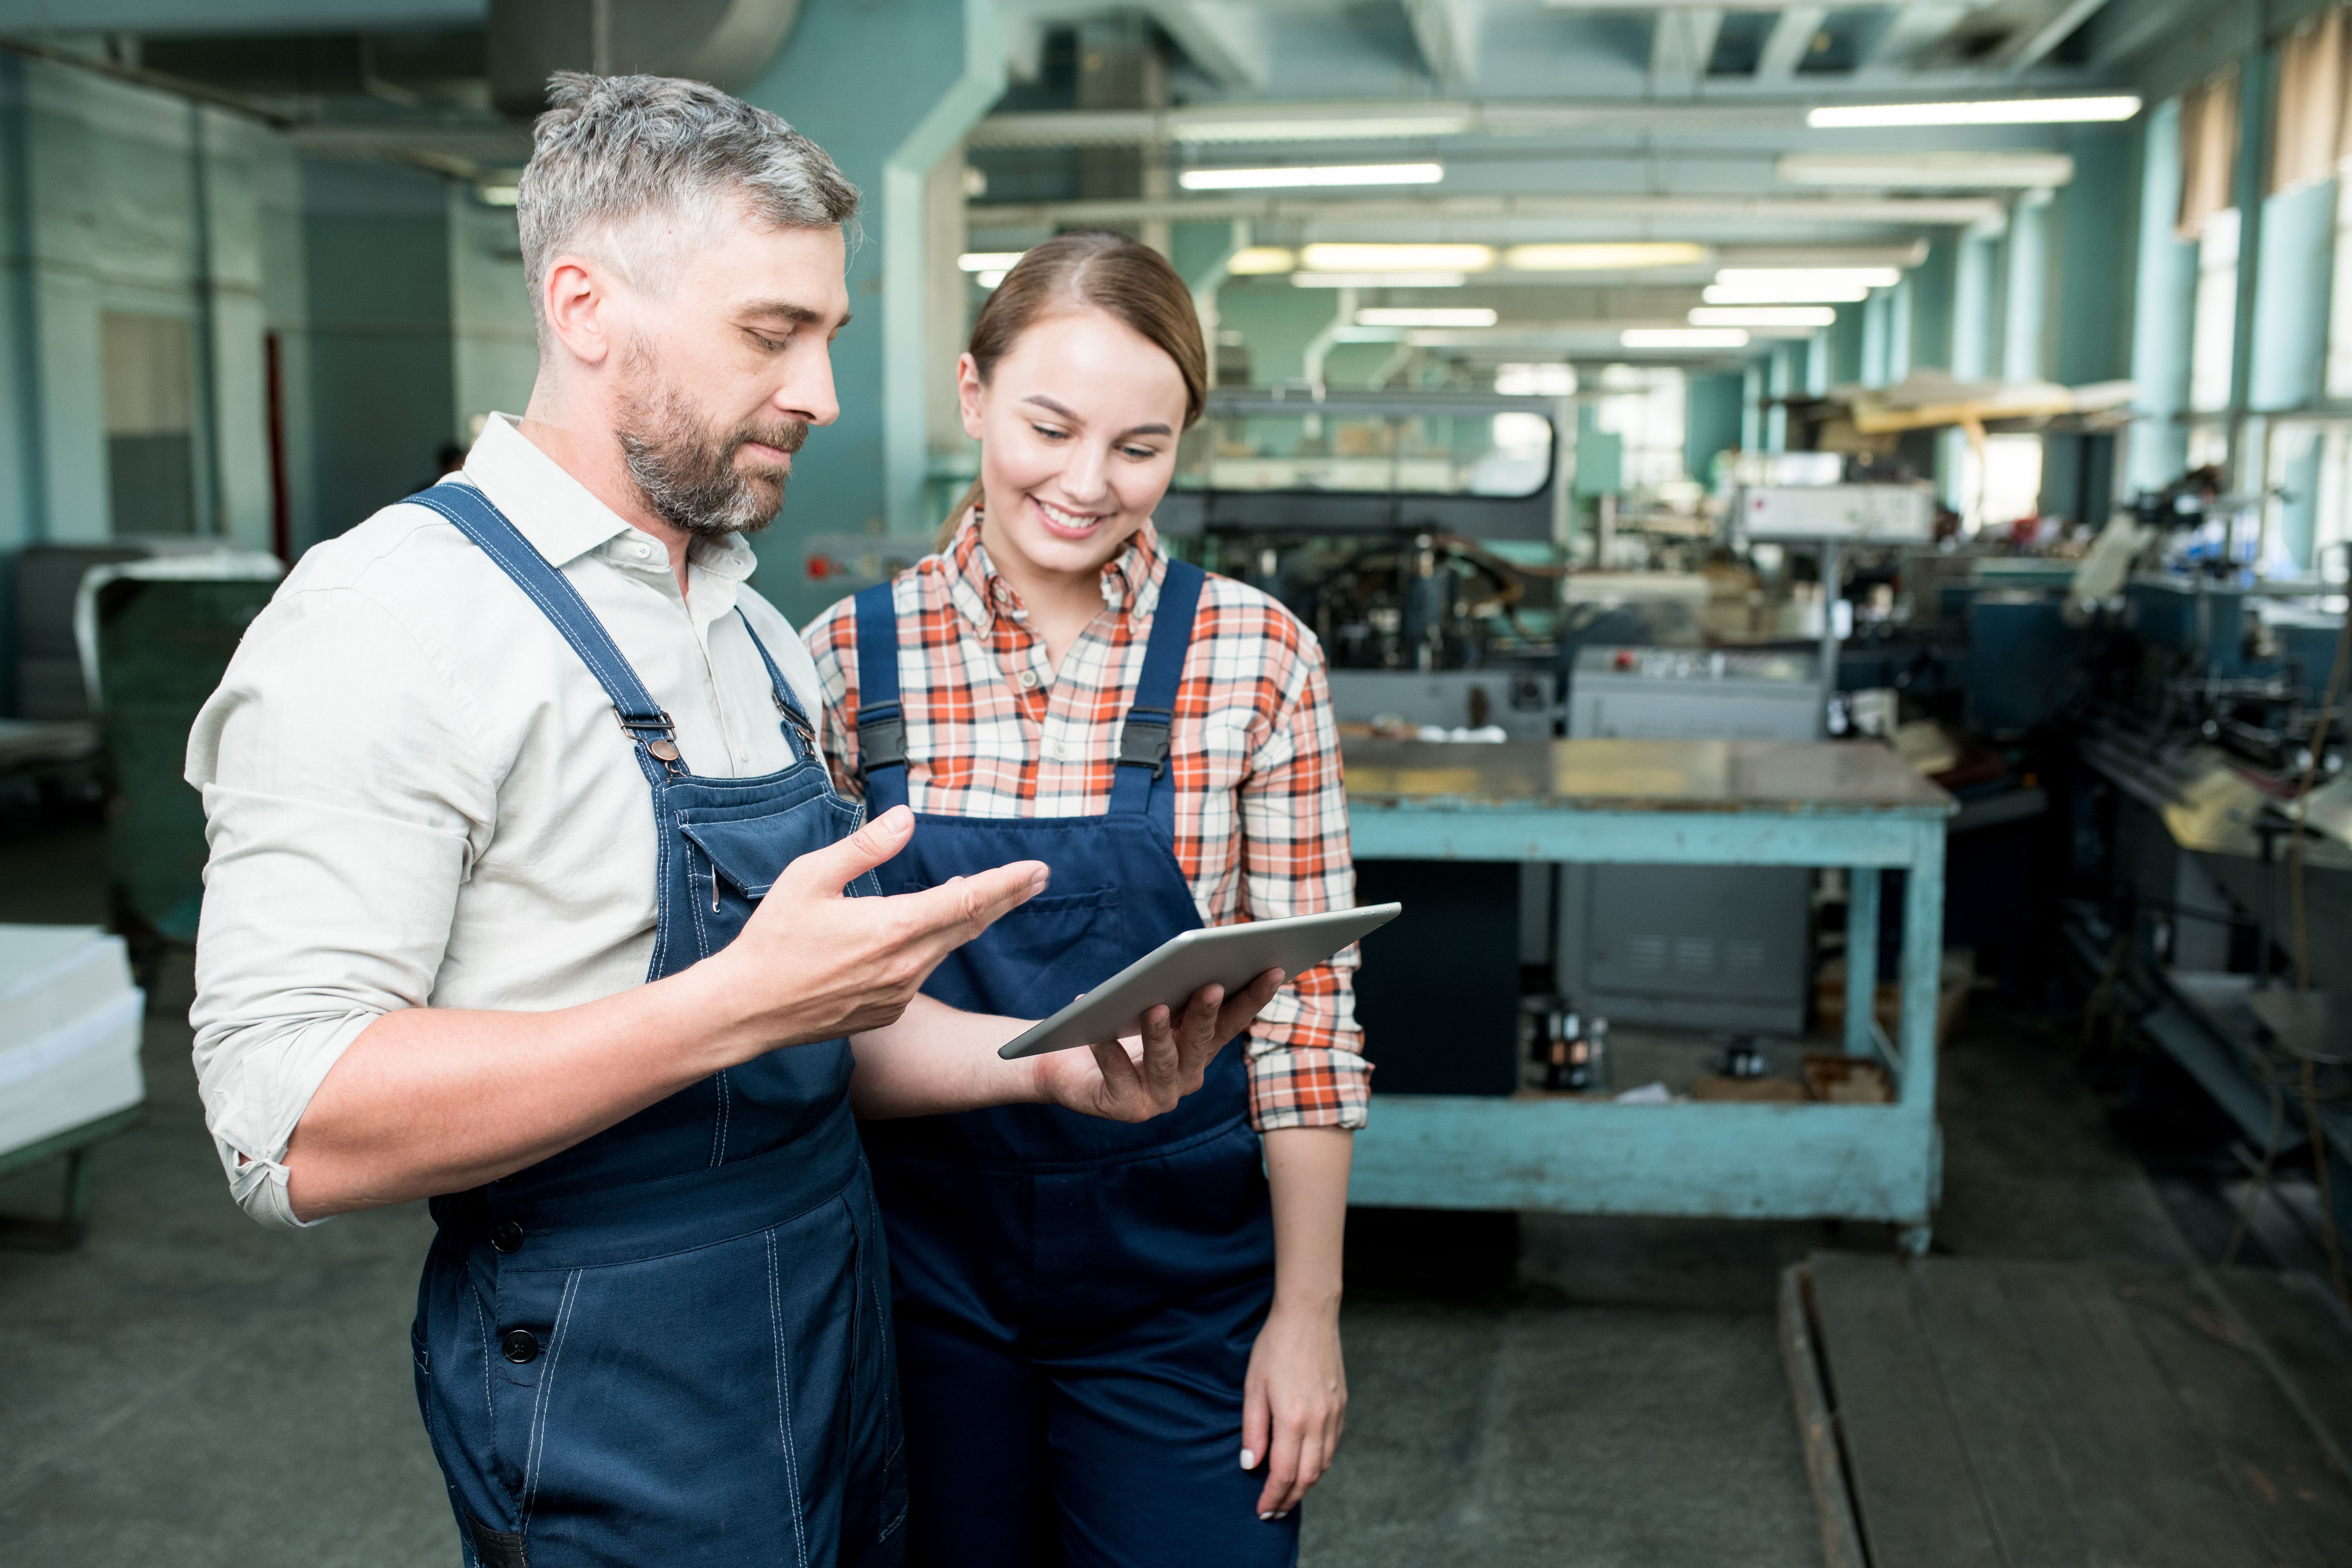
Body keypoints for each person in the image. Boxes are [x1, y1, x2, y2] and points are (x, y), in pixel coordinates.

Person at [185, 79, 1276, 1568]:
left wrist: (1044, 1069)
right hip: (615, 1372)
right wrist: (720, 1007)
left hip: (841, 1319)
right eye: (773, 334)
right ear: (586, 308)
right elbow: (286, 1115)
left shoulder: (753, 631)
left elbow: (801, 1036)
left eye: (826, 334)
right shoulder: (390, 624)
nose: (823, 391)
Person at [805, 231, 1369, 1568]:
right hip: (914, 1275)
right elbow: (805, 1016)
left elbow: (1307, 1024)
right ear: (972, 396)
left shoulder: (1256, 656)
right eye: (1049, 427)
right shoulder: (842, 662)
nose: (1085, 483)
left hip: (1181, 1285)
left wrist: (1309, 1313)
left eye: (1140, 445)